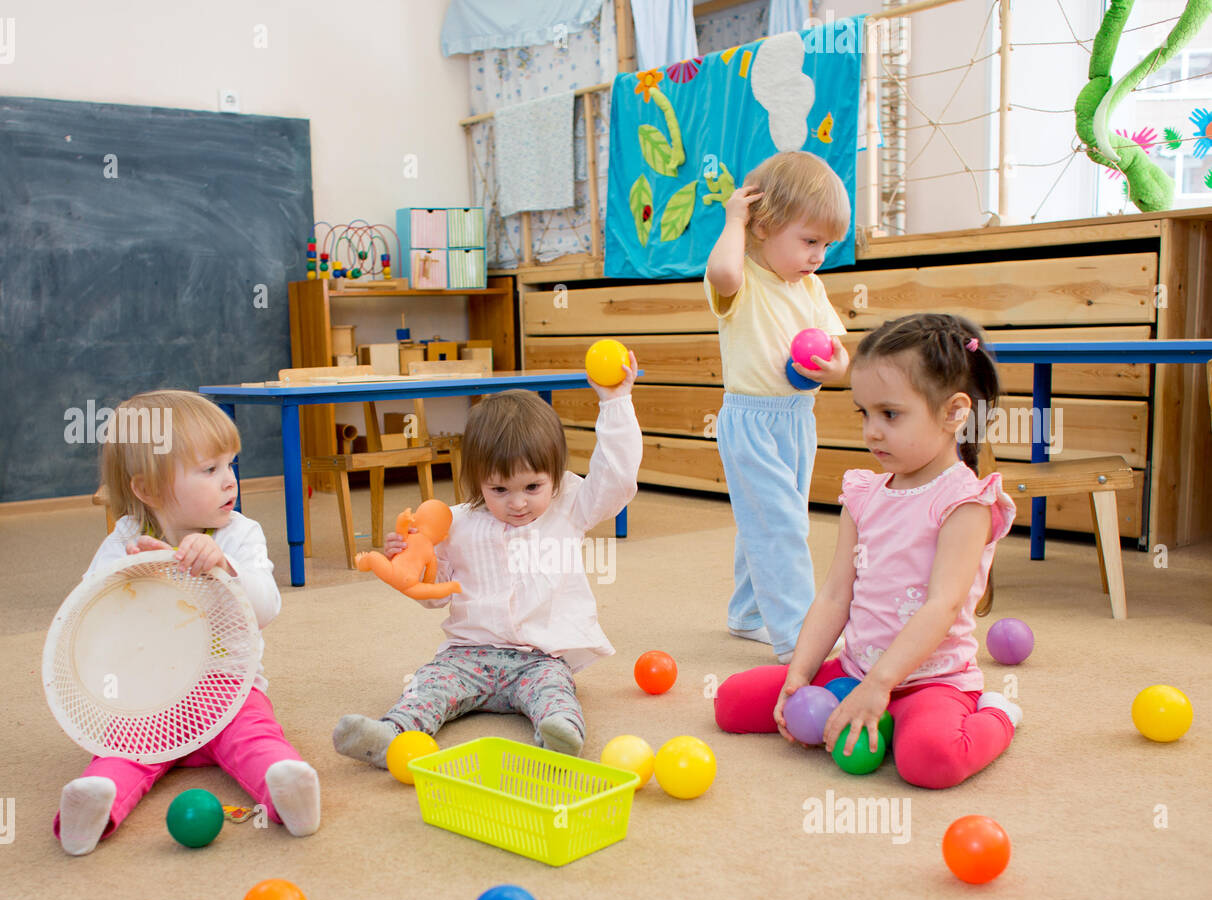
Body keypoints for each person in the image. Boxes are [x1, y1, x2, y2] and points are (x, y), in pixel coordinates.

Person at [714, 314, 1022, 790]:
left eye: (890, 414)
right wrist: (800, 674)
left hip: (929, 681)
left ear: (954, 412)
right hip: (854, 670)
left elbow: (941, 606)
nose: (872, 432)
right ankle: (868, 708)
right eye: (864, 413)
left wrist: (880, 687)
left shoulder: (966, 503)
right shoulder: (863, 493)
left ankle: (997, 714)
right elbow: (836, 595)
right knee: (731, 703)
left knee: (930, 762)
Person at [333, 360, 641, 765]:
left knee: (555, 693)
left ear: (557, 476)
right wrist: (404, 567)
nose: (517, 503)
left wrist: (616, 402)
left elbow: (616, 477)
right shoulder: (455, 523)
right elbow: (433, 594)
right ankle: (391, 733)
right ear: (477, 480)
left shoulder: (570, 505)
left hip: (541, 657)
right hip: (467, 655)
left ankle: (560, 734)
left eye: (533, 486)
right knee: (428, 686)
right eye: (499, 489)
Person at [55, 390, 320, 854]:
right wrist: (130, 578)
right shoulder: (126, 541)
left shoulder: (239, 534)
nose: (229, 481)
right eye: (209, 469)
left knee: (256, 738)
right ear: (149, 490)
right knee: (121, 751)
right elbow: (87, 619)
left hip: (227, 691)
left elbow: (266, 607)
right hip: (149, 701)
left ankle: (286, 792)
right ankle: (94, 806)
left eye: (231, 464)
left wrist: (223, 570)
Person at [704, 149, 852, 662]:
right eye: (809, 241)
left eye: (826, 244)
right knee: (780, 524)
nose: (818, 255)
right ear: (764, 226)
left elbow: (837, 349)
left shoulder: (811, 286)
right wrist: (734, 219)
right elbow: (722, 271)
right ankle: (798, 637)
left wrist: (837, 369)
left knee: (771, 520)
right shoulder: (740, 276)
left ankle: (748, 615)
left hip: (797, 420)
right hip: (750, 419)